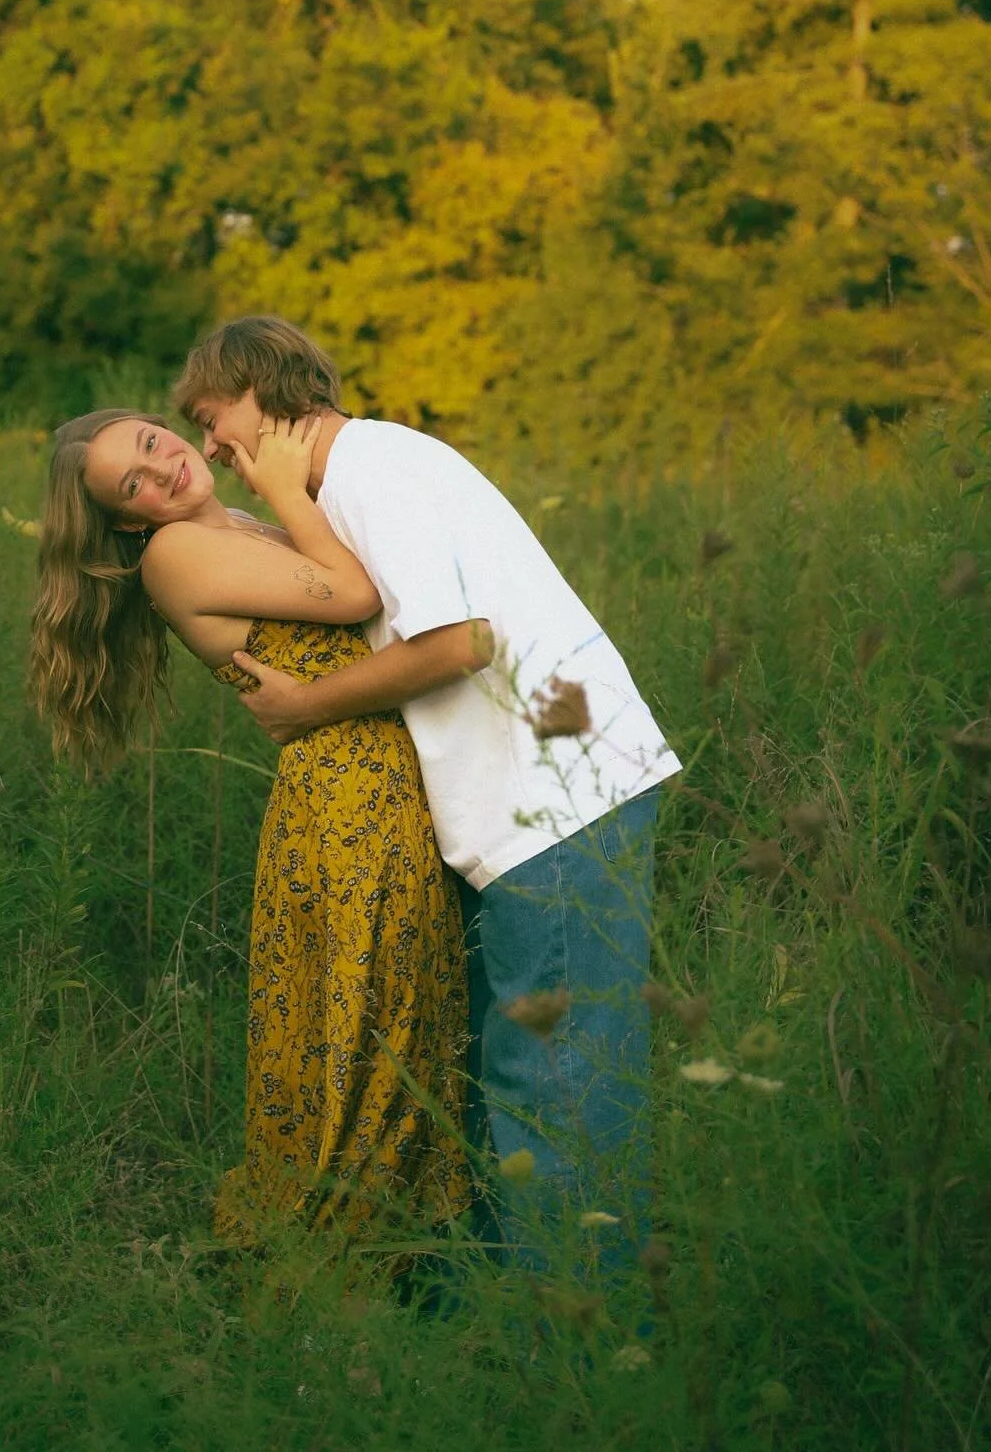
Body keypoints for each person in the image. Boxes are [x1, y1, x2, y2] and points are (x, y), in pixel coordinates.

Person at [173, 317, 682, 1273]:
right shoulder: (367, 469)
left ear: (260, 390)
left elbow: (458, 643)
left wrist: (307, 707)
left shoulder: (370, 474)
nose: (209, 447)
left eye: (211, 419)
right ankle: (517, 1316)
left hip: (554, 797)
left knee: (559, 1082)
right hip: (537, 797)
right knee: (517, 1075)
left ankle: (578, 1337)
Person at [28, 406, 473, 1250]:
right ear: (128, 520)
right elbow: (356, 594)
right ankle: (340, 1265)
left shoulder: (230, 524)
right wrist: (284, 486)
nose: (161, 470)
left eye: (152, 443)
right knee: (373, 1036)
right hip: (350, 801)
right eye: (133, 484)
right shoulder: (175, 553)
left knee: (391, 1023)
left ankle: (399, 1255)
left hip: (370, 788)